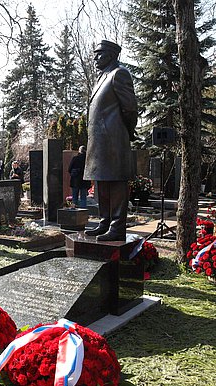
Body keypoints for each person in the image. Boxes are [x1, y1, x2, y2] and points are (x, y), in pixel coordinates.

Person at [84, 40, 137, 242]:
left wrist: (125, 133)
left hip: (114, 140)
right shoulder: (101, 77)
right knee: (102, 183)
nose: (96, 57)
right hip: (99, 143)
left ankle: (117, 227)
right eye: (95, 53)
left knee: (115, 184)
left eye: (100, 53)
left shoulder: (119, 74)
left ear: (112, 55)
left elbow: (130, 108)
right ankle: (104, 222)